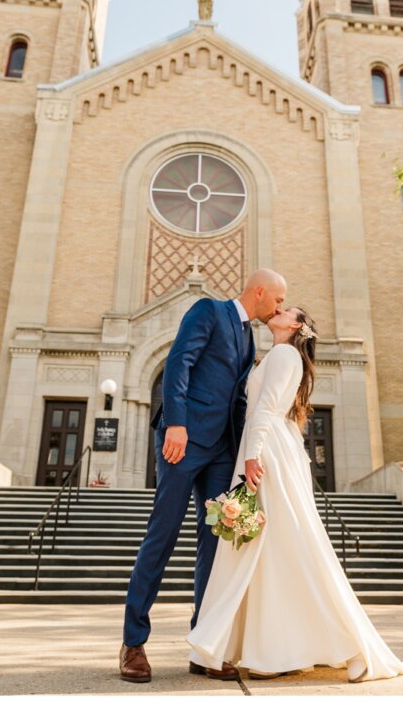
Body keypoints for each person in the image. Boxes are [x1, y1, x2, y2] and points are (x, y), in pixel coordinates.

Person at [186, 308, 403, 682]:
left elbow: (265, 408)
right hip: (271, 446)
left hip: (267, 452)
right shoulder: (280, 355)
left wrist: (252, 456)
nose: (278, 309)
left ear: (294, 326)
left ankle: (346, 646)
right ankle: (268, 649)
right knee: (270, 549)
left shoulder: (283, 354)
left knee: (281, 545)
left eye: (285, 309)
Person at [120, 269, 286, 683]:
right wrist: (176, 421)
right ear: (260, 292)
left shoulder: (250, 338)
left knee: (216, 545)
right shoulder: (208, 310)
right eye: (279, 300)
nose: (280, 308)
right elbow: (180, 362)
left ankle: (204, 646)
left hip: (221, 452)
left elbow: (239, 398)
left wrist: (247, 451)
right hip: (184, 440)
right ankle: (133, 643)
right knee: (163, 534)